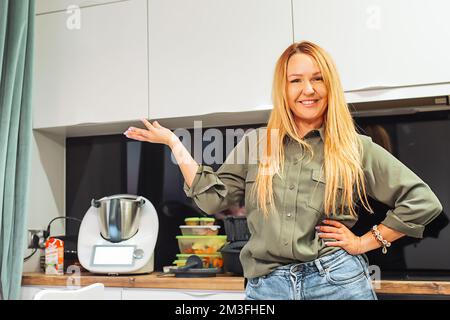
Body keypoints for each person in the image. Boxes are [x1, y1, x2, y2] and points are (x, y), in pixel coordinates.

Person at [124, 41, 443, 300]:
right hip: (267, 288)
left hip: (336, 282)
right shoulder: (254, 144)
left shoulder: (355, 147)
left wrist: (364, 242)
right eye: (296, 80)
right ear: (283, 88)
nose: (309, 90)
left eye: (318, 78)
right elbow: (212, 201)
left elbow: (423, 203)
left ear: (329, 85)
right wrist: (174, 145)